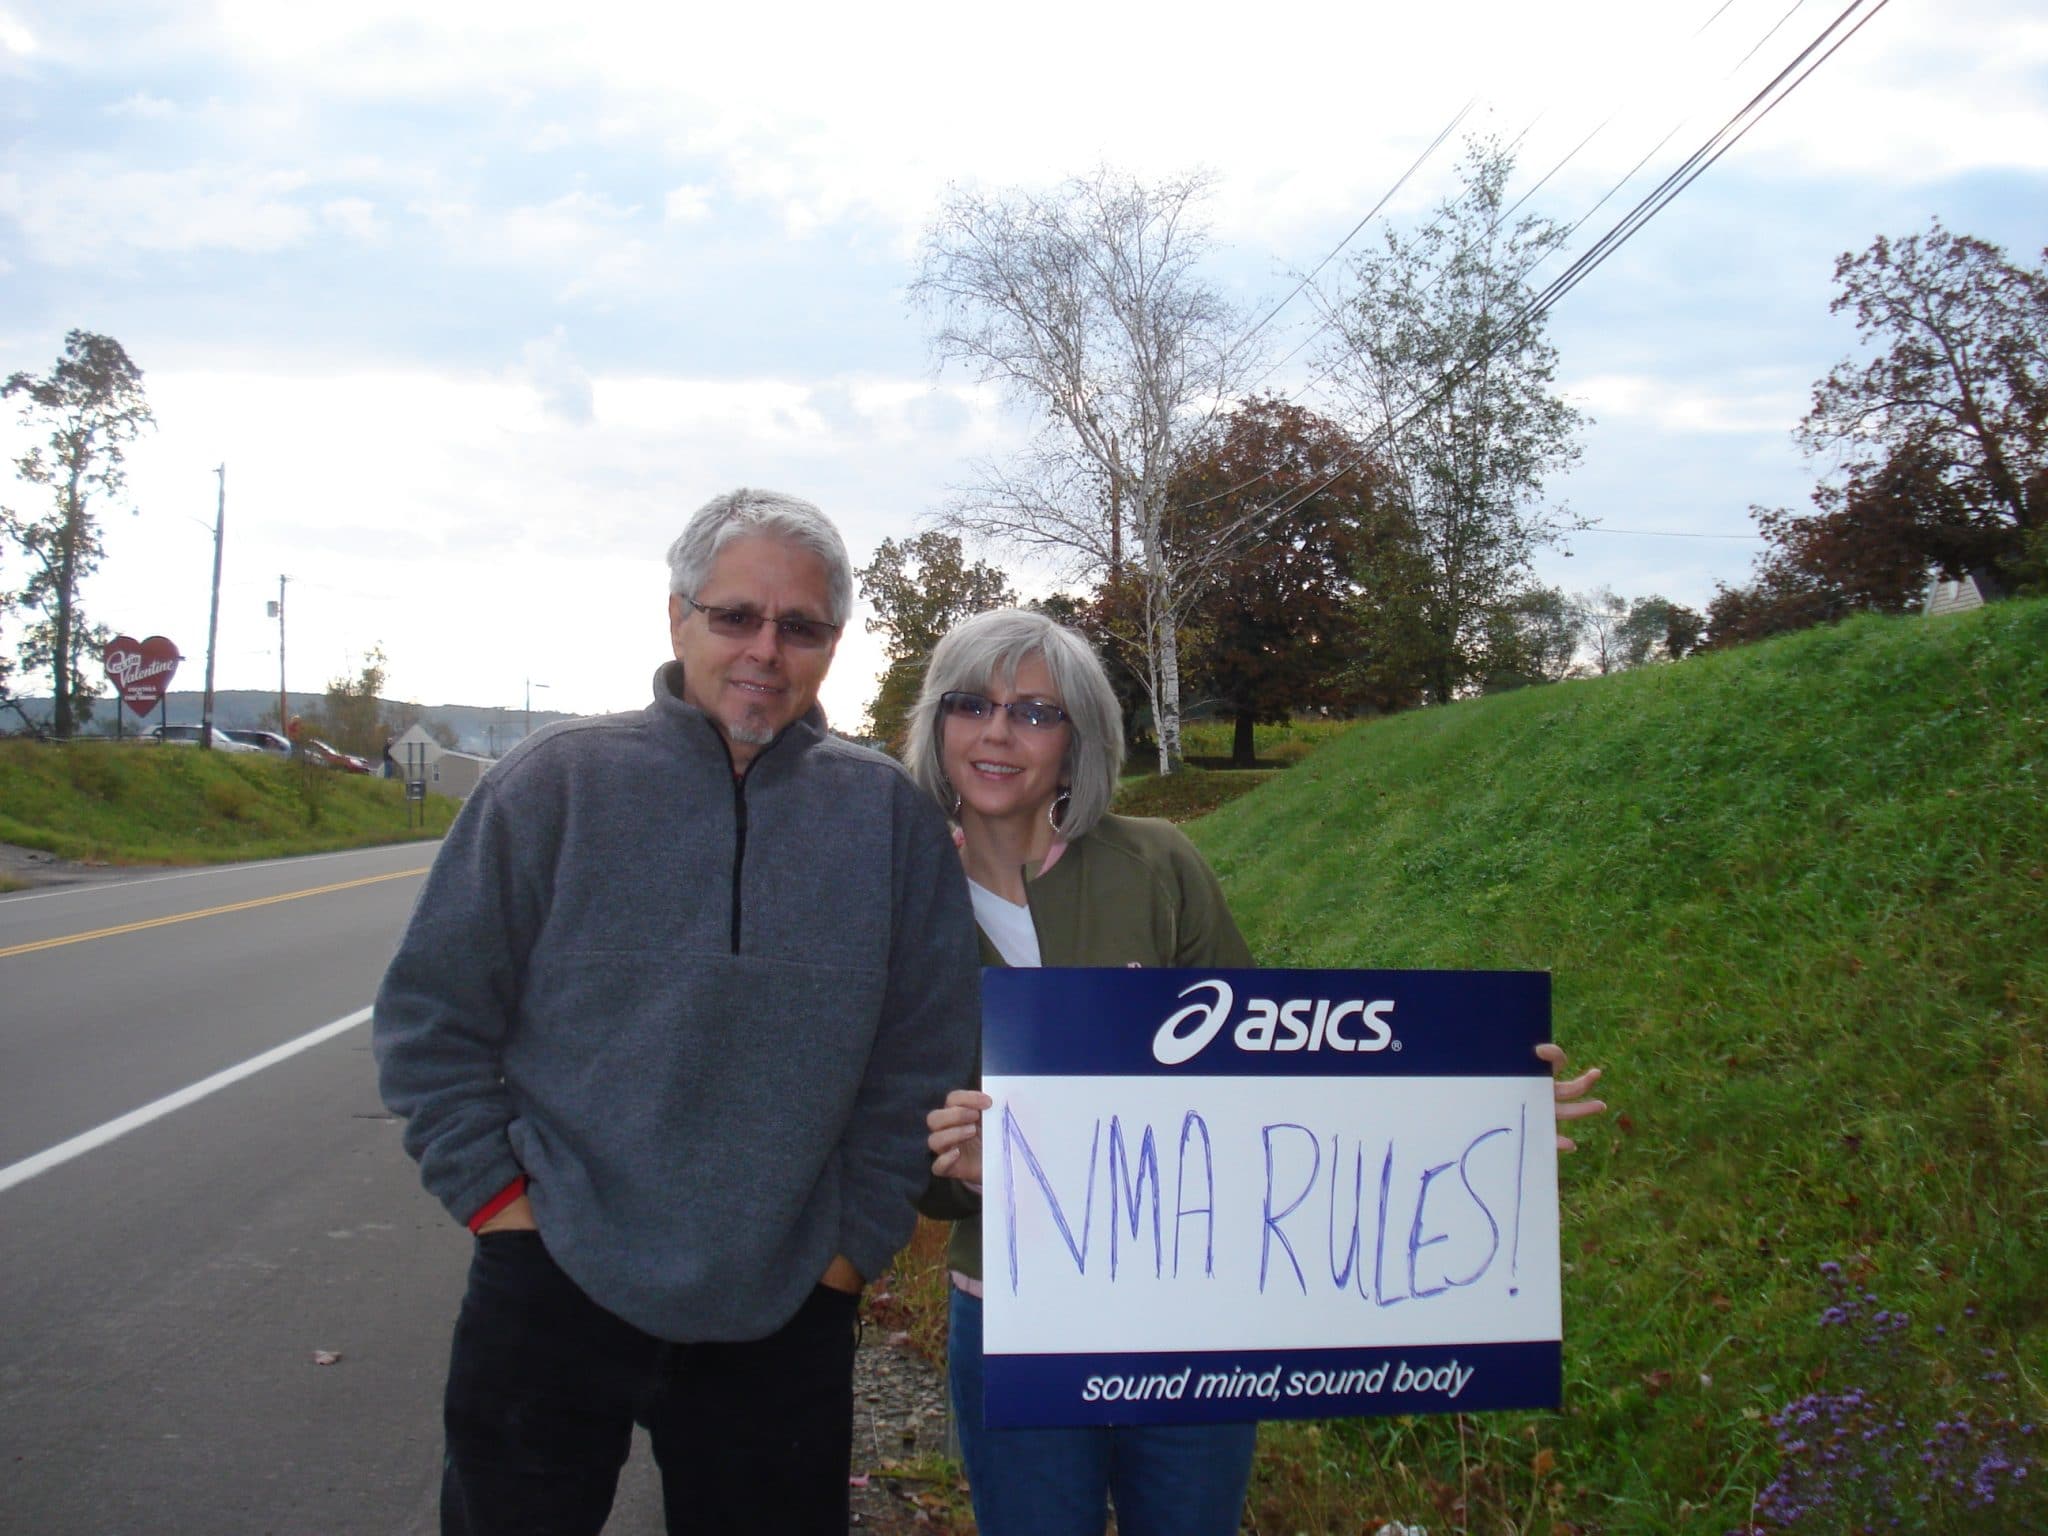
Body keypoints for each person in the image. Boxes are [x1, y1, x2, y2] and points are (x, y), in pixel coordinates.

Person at [909, 608, 1608, 1536]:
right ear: (938, 725)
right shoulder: (899, 893)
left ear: (1079, 740)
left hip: (1193, 1307)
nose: (998, 733)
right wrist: (951, 1172)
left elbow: (1274, 1078)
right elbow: (888, 1119)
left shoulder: (1158, 865)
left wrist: (1483, 1112)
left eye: (1034, 712)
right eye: (971, 705)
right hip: (1008, 1311)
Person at [373, 488, 980, 1536]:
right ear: (676, 616)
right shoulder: (550, 787)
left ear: (833, 642)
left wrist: (849, 1254)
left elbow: (919, 1058)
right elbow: (433, 1018)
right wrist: (502, 1213)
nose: (763, 650)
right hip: (549, 1291)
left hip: (785, 1306)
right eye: (734, 614)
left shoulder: (888, 818)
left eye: (799, 627)